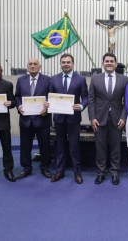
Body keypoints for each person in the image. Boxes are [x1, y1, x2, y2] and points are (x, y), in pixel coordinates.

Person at [88, 52, 128, 185]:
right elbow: (91, 99)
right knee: (100, 147)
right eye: (107, 61)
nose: (109, 63)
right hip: (99, 119)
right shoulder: (95, 78)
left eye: (112, 61)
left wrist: (124, 117)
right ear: (103, 64)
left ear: (116, 64)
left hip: (117, 119)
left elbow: (127, 101)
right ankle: (101, 173)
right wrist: (92, 118)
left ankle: (115, 172)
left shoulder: (124, 79)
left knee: (116, 147)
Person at [48, 53, 88, 184]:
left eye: (68, 62)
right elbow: (50, 96)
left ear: (73, 64)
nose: (66, 64)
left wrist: (81, 106)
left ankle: (77, 173)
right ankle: (59, 171)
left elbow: (86, 98)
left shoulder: (81, 79)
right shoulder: (53, 79)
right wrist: (48, 103)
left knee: (74, 147)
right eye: (63, 62)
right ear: (60, 64)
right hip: (58, 118)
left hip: (74, 118)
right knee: (60, 146)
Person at [14, 58, 52, 179]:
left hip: (42, 118)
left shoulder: (48, 80)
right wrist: (19, 106)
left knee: (45, 145)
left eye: (35, 64)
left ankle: (45, 167)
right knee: (25, 145)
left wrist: (47, 108)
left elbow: (51, 98)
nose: (32, 66)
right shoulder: (21, 80)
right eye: (30, 64)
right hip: (26, 119)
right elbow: (17, 97)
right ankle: (26, 168)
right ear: (27, 67)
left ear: (39, 67)